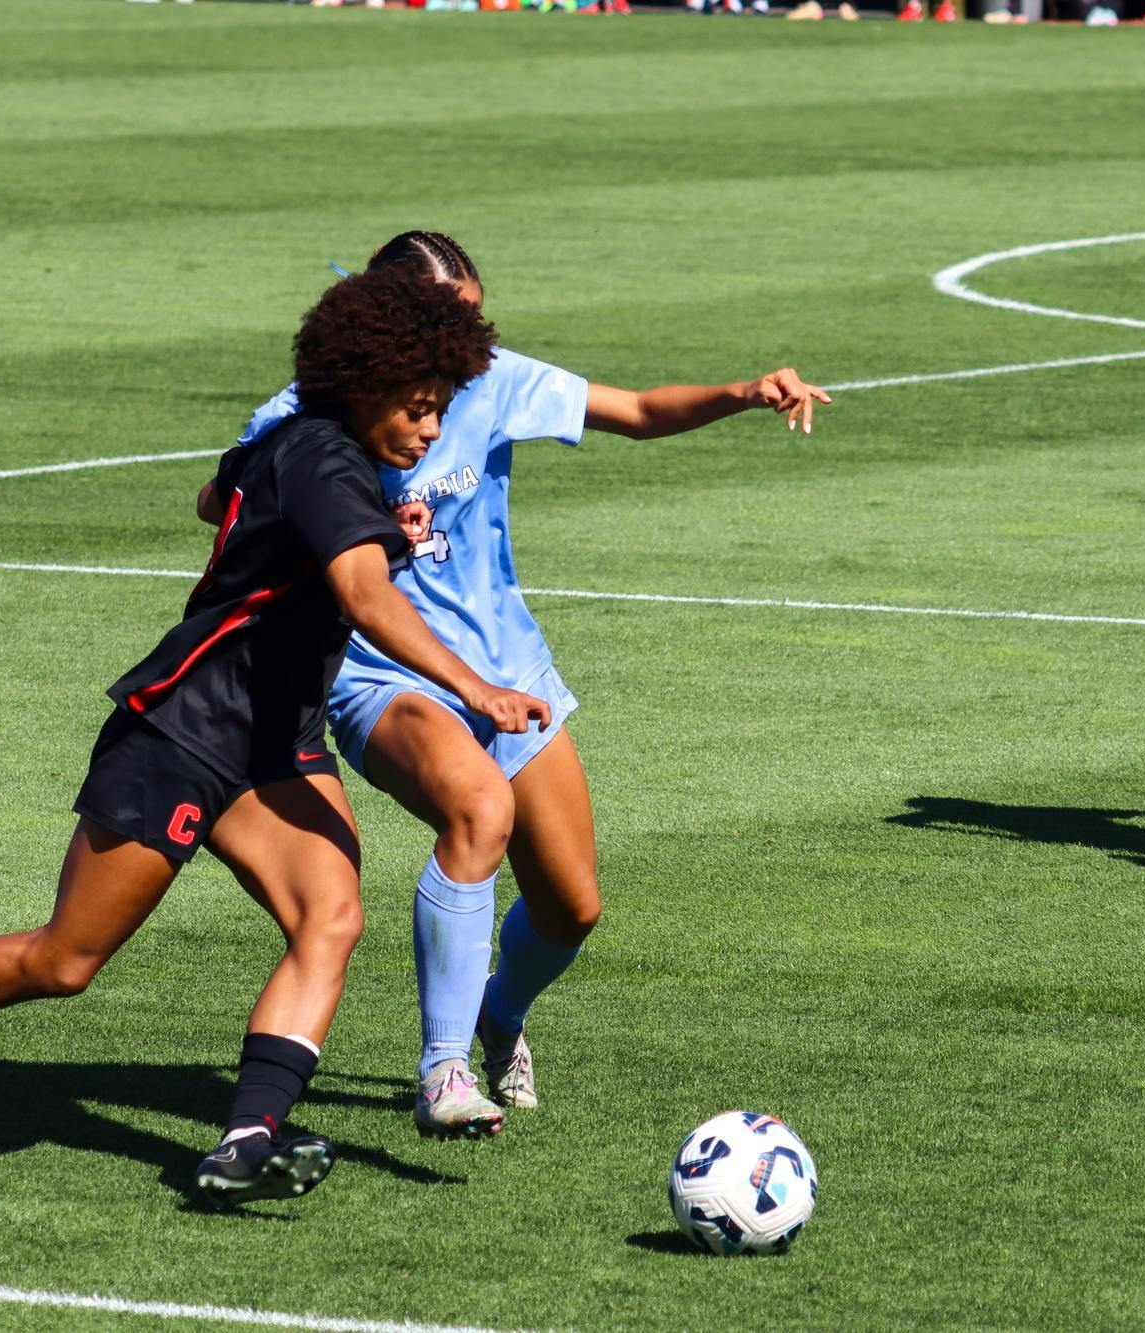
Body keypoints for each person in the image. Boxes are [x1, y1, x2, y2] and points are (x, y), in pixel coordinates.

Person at [0, 267, 552, 1206]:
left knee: (331, 914)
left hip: (276, 743)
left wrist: (347, 522)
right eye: (418, 407)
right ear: (363, 384)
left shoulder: (304, 451)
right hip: (185, 732)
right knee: (64, 960)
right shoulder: (323, 459)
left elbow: (214, 496)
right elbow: (362, 594)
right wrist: (478, 688)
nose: (433, 429)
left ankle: (245, 1139)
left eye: (440, 408)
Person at [202, 231, 828, 1138]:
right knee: (477, 809)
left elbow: (641, 409)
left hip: (512, 673)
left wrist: (742, 392)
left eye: (479, 319)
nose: (474, 339)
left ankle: (499, 1017)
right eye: (454, 321)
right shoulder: (313, 412)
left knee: (572, 904)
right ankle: (444, 1068)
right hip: (383, 679)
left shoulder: (492, 380)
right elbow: (219, 503)